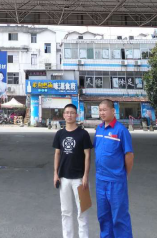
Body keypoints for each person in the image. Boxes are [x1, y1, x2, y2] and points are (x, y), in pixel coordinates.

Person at [94, 99, 134, 238]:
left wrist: (125, 174)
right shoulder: (99, 129)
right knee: (103, 216)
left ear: (113, 111)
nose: (102, 113)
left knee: (119, 217)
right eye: (100, 110)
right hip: (100, 180)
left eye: (104, 110)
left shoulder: (121, 130)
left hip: (116, 181)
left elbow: (129, 155)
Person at [53, 103, 92, 238]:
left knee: (82, 212)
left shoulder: (83, 134)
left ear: (76, 115)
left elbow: (87, 155)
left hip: (80, 179)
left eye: (72, 112)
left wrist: (86, 175)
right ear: (63, 115)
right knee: (66, 212)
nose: (69, 115)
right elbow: (57, 154)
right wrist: (55, 174)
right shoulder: (59, 134)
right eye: (67, 112)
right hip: (64, 178)